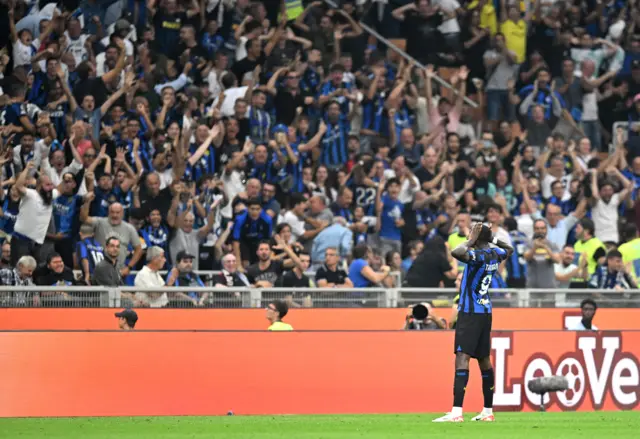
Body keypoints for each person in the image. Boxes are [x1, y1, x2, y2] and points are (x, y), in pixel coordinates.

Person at [433, 223, 513, 423]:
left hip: (470, 312)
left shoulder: (479, 256)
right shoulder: (494, 254)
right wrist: (490, 239)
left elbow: (456, 252)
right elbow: (510, 249)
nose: (468, 235)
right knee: (484, 359)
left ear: (477, 238)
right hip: (485, 311)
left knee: (462, 356)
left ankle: (456, 412)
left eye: (471, 233)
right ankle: (487, 411)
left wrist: (472, 240)